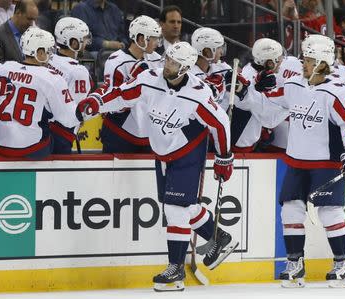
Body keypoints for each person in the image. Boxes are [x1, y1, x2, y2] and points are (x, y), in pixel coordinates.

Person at [76, 42, 238, 292]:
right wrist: (97, 103)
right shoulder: (149, 78)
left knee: (175, 209)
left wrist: (224, 157)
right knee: (183, 206)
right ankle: (220, 238)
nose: (167, 64)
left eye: (173, 62)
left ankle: (175, 270)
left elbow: (220, 123)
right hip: (162, 151)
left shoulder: (197, 93)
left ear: (184, 68)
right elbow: (121, 94)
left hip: (188, 152)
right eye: (167, 59)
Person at [253, 35, 345, 288]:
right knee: (290, 210)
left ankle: (343, 264)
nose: (304, 64)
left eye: (309, 60)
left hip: (325, 163)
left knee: (329, 212)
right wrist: (260, 85)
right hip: (296, 161)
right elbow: (271, 97)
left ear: (323, 63)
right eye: (304, 59)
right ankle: (295, 264)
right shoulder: (294, 86)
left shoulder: (335, 91)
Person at [0, 27, 80, 159]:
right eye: (49, 51)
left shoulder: (2, 68)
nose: (51, 56)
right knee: (58, 134)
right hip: (31, 150)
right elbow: (68, 119)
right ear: (39, 53)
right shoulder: (52, 78)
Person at [99, 15, 162, 153]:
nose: (157, 43)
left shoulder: (157, 60)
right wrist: (133, 81)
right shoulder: (116, 62)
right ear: (141, 39)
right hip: (119, 134)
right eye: (154, 39)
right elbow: (113, 106)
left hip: (148, 135)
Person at [47, 17, 93, 154]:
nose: (86, 43)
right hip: (61, 132)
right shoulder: (78, 71)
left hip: (42, 127)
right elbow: (79, 111)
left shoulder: (48, 59)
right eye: (83, 39)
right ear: (73, 43)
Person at [0, 0, 39, 78]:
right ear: (18, 13)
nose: (31, 23)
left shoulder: (32, 34)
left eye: (34, 20)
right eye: (29, 19)